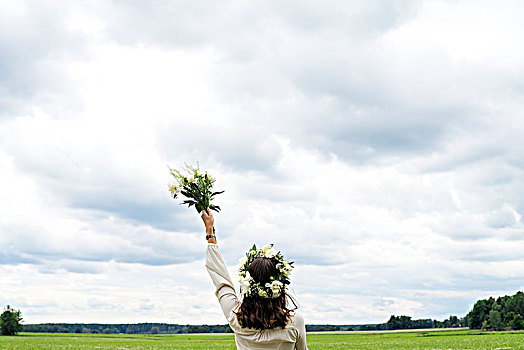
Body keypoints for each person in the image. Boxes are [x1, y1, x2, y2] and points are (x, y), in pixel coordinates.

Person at [201, 208, 308, 350]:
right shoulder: (295, 322)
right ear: (279, 286)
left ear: (248, 286)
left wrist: (210, 231)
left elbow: (221, 278)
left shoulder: (236, 318)